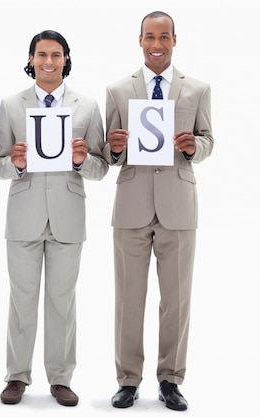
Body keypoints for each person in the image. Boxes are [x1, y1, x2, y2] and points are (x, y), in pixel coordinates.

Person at [0, 30, 108, 406]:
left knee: (62, 301)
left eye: (56, 55)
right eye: (41, 55)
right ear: (31, 59)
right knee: (21, 300)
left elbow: (102, 167)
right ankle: (16, 377)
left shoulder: (86, 106)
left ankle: (60, 378)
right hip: (24, 215)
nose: (49, 61)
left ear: (66, 60)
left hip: (68, 216)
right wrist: (16, 165)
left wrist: (80, 160)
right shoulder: (11, 105)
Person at [104, 10, 213, 411]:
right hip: (131, 206)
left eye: (163, 37)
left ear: (174, 40)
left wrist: (192, 148)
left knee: (177, 300)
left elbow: (208, 141)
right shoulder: (118, 90)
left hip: (178, 206)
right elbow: (109, 155)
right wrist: (115, 148)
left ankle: (170, 380)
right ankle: (128, 380)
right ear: (139, 40)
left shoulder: (197, 89)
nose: (156, 44)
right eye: (149, 36)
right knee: (128, 299)